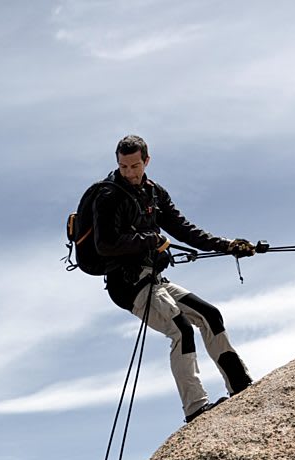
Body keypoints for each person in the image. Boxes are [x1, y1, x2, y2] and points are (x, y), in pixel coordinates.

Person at [92, 134, 255, 423]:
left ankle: (240, 386)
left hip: (154, 277)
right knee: (181, 329)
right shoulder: (108, 196)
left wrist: (227, 245)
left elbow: (184, 229)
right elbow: (105, 244)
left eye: (134, 166)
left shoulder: (154, 194)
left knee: (210, 315)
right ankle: (195, 408)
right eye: (123, 166)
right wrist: (149, 240)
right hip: (127, 284)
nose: (128, 172)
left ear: (147, 161)